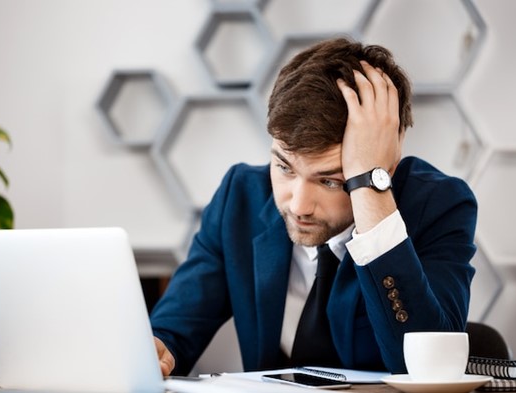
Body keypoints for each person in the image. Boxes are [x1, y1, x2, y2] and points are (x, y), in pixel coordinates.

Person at [150, 36, 477, 376]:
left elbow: (431, 368)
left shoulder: (440, 205)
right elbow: (173, 330)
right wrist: (159, 349)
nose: (299, 205)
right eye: (284, 167)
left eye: (330, 180)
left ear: (388, 161)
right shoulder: (241, 197)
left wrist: (369, 186)